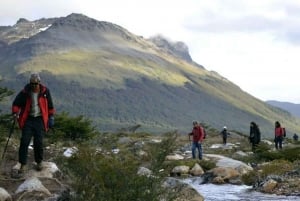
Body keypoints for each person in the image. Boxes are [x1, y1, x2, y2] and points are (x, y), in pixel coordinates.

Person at [11, 73, 55, 174]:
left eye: (36, 84)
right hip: (28, 119)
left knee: (38, 142)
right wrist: (15, 113)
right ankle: (23, 164)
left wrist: (51, 117)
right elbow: (16, 103)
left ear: (39, 83)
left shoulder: (45, 92)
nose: (34, 86)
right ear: (30, 83)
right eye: (32, 83)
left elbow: (50, 106)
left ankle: (39, 162)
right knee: (24, 141)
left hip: (39, 119)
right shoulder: (25, 92)